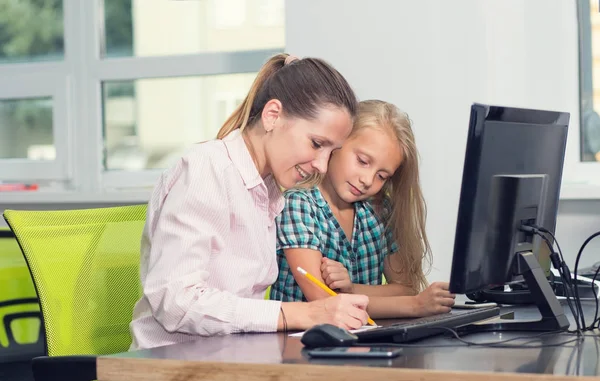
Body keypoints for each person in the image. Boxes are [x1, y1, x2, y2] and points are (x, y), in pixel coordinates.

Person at [130, 54, 370, 350]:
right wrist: (298, 313)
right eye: (317, 144)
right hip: (172, 366)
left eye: (331, 152)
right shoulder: (207, 171)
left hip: (231, 359)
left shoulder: (268, 191)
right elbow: (176, 301)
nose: (322, 165)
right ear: (273, 115)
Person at [271, 100, 455, 318]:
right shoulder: (298, 205)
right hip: (301, 345)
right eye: (362, 161)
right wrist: (414, 306)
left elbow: (405, 288)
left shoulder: (380, 209)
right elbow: (325, 302)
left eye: (382, 176)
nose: (367, 180)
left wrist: (350, 289)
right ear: (337, 143)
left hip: (361, 341)